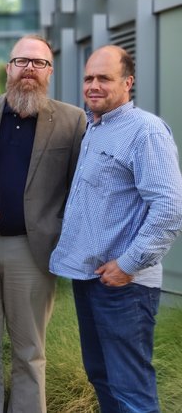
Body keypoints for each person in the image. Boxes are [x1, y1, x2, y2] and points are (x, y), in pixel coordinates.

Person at [0, 35, 86, 413]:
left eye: (39, 63)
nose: (29, 68)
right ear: (9, 67)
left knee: (30, 351)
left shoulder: (71, 120)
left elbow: (78, 187)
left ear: (50, 71)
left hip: (31, 250)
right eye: (21, 61)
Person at [50, 45, 182, 412]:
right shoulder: (95, 128)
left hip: (126, 286)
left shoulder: (145, 131)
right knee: (103, 377)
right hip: (92, 279)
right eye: (89, 78)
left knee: (130, 389)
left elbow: (170, 208)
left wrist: (128, 264)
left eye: (104, 78)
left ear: (128, 82)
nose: (93, 85)